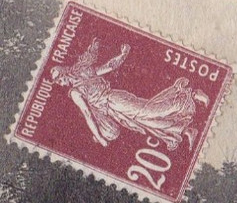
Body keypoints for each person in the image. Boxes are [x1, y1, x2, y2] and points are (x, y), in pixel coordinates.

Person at [50, 38, 208, 151]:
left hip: (114, 101)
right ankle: (185, 130)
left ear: (64, 76)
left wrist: (100, 138)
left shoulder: (75, 92)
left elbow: (88, 115)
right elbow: (108, 67)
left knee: (148, 111)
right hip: (114, 106)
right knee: (145, 121)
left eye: (59, 81)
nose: (61, 84)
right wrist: (123, 55)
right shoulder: (85, 73)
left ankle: (191, 95)